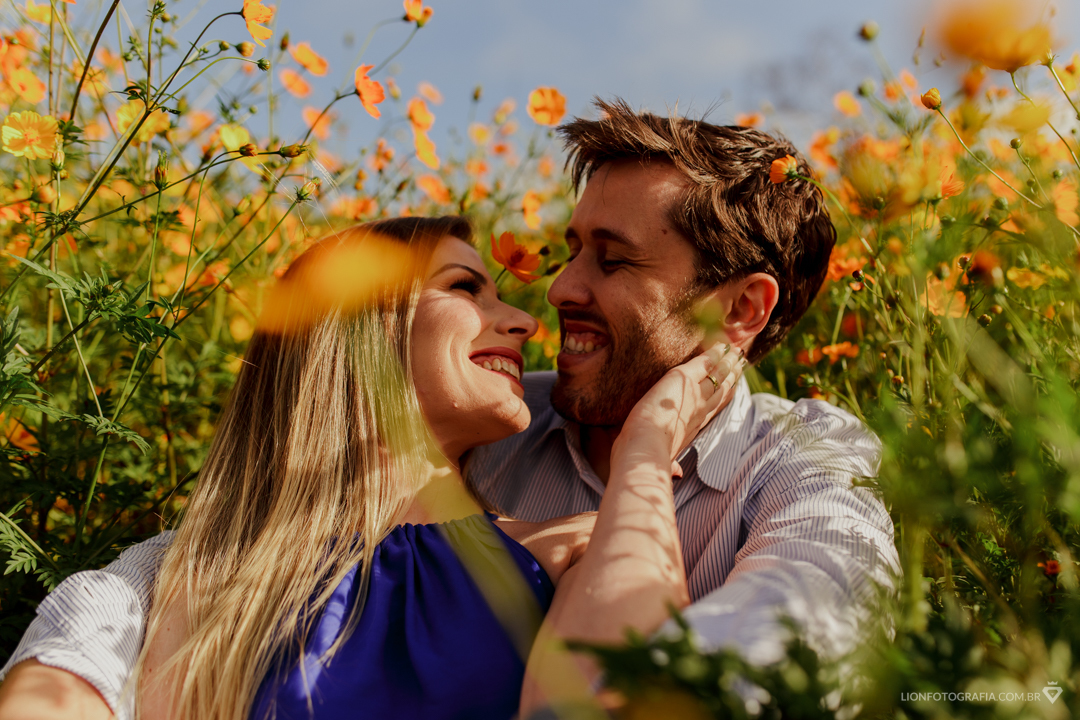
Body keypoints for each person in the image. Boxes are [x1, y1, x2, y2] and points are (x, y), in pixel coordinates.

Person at [0, 98, 899, 713]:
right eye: (569, 248)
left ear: (741, 311)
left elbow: (800, 631)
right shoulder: (505, 415)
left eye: (613, 259)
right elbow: (228, 553)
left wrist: (645, 455)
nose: (552, 294)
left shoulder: (806, 461)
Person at [0, 215, 742, 720]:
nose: (523, 321)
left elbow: (624, 699)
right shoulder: (171, 578)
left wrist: (646, 450)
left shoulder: (572, 548)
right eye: (464, 287)